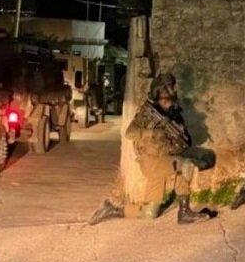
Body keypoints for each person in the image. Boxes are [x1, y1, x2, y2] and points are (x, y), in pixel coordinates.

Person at [89, 73, 212, 225]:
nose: (172, 93)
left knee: (149, 213)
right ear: (161, 93)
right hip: (151, 163)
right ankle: (184, 212)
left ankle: (112, 209)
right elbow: (130, 133)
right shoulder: (148, 113)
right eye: (168, 94)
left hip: (162, 161)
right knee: (185, 164)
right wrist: (152, 133)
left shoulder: (171, 112)